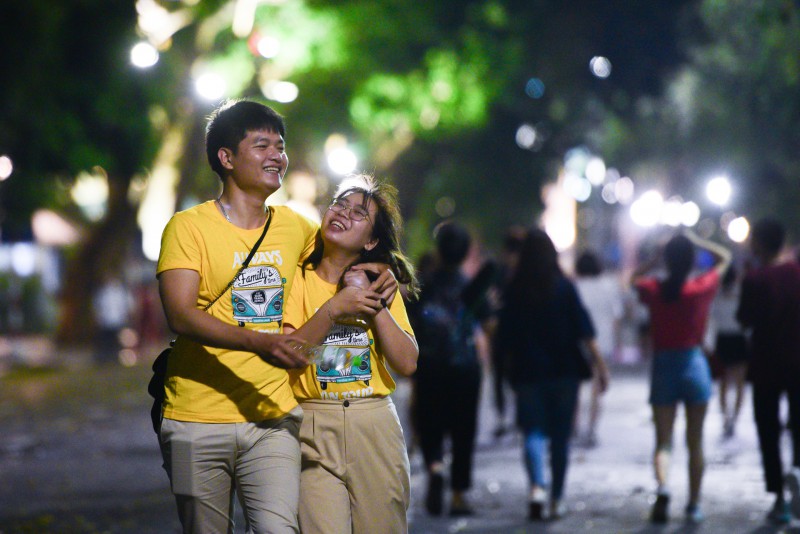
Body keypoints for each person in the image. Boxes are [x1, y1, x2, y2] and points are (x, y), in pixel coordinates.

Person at [155, 100, 395, 533]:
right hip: (196, 416)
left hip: (273, 418)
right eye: (261, 145)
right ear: (226, 158)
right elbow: (181, 315)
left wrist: (383, 271)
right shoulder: (186, 227)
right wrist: (259, 341)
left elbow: (341, 257)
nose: (276, 156)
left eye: (280, 146)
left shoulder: (296, 227)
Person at [282, 174, 419, 533]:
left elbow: (407, 362)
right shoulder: (297, 278)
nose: (343, 212)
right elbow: (290, 353)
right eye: (340, 204)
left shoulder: (381, 284)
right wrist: (333, 309)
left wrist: (375, 307)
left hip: (374, 424)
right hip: (312, 425)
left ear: (372, 240)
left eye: (359, 213)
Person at [495, 228, 609, 521]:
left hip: (527, 372)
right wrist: (600, 366)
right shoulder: (564, 287)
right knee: (560, 438)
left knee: (532, 432)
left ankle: (537, 488)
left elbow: (503, 337)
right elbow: (584, 329)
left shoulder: (514, 289)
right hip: (564, 372)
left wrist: (502, 369)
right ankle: (557, 499)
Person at [632, 229, 730, 524]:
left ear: (668, 261)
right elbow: (724, 258)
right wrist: (696, 241)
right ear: (690, 261)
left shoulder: (654, 290)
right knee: (695, 442)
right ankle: (694, 505)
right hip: (694, 364)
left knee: (663, 441)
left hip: (664, 365)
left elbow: (633, 278)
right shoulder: (700, 287)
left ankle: (663, 487)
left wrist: (656, 257)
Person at [409, 221, 490, 517]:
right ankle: (457, 495)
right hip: (465, 367)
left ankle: (435, 466)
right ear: (466, 251)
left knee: (430, 423)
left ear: (438, 250)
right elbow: (489, 323)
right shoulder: (472, 287)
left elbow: (411, 324)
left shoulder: (424, 286)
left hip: (430, 365)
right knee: (463, 430)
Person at [736, 217, 800, 525]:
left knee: (768, 429)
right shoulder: (797, 273)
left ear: (758, 243)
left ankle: (779, 498)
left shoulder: (755, 279)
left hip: (765, 363)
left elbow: (744, 320)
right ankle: (798, 474)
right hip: (798, 361)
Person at [573, 249, 623, 446]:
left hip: (578, 342)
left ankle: (574, 426)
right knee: (597, 386)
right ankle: (592, 428)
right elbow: (616, 317)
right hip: (603, 342)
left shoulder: (576, 287)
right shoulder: (609, 286)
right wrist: (617, 342)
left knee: (575, 386)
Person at [708, 264, 748, 439]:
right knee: (740, 383)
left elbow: (712, 317)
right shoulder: (741, 293)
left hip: (722, 339)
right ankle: (735, 419)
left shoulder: (716, 294)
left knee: (723, 383)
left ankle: (726, 418)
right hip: (738, 339)